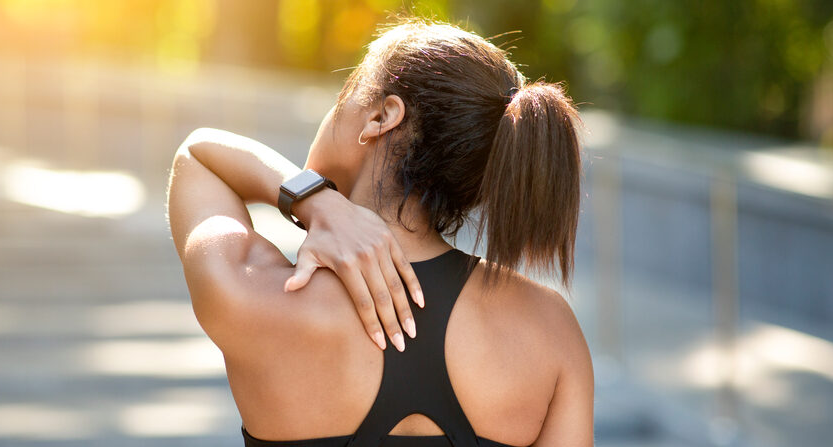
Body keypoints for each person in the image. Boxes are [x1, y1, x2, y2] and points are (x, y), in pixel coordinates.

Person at [167, 16, 593, 447]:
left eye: (344, 94)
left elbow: (197, 156)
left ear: (381, 116)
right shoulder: (550, 329)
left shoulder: (256, 293)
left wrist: (311, 199)